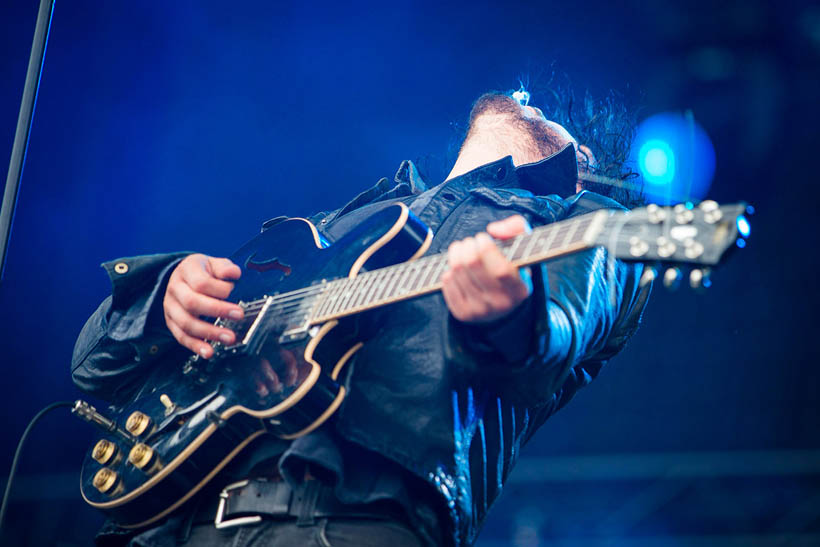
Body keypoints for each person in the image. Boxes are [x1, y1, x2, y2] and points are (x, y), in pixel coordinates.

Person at [72, 90, 650, 546]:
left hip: (344, 520)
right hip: (163, 525)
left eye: (557, 121)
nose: (533, 98)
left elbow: (563, 323)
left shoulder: (584, 220)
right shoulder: (340, 223)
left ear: (582, 166)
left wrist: (512, 312)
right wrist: (167, 294)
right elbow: (91, 368)